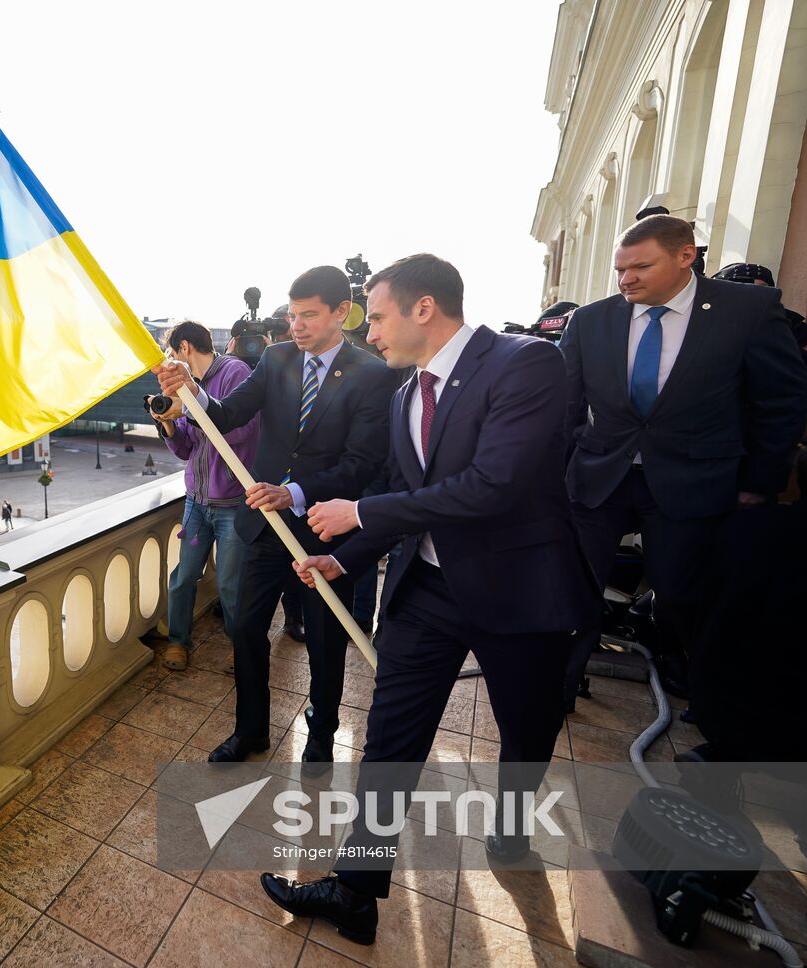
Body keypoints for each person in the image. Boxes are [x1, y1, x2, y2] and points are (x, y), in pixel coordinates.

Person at [261, 254, 597, 945]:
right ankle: (356, 889)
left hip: (518, 592)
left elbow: (492, 485)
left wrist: (357, 516)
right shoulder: (404, 392)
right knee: (391, 739)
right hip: (426, 592)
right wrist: (342, 556)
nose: (370, 331)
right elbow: (402, 499)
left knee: (527, 730)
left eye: (376, 316)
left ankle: (510, 830)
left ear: (423, 309)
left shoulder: (525, 364)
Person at [560, 216, 807, 709]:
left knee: (681, 592)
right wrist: (558, 465)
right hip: (600, 475)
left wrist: (759, 481)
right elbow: (562, 405)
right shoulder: (590, 320)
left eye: (640, 267)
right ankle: (561, 685)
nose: (626, 279)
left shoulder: (749, 309)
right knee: (573, 586)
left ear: (685, 256)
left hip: (694, 480)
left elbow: (780, 401)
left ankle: (698, 693)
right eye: (620, 270)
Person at [154, 265, 398, 765]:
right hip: (264, 526)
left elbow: (362, 464)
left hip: (325, 530)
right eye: (292, 315)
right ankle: (250, 731)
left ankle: (323, 738)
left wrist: (297, 492)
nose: (296, 326)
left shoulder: (373, 375)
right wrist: (192, 393)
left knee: (326, 643)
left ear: (341, 313)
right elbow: (227, 414)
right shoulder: (277, 358)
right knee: (245, 627)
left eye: (309, 315)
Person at [151, 320, 260, 670]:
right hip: (197, 503)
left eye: (171, 353)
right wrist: (167, 421)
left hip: (232, 504)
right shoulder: (187, 386)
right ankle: (178, 642)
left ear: (184, 348)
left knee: (231, 586)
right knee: (183, 578)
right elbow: (186, 450)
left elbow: (244, 430)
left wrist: (192, 410)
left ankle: (241, 647)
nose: (170, 361)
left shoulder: (234, 372)